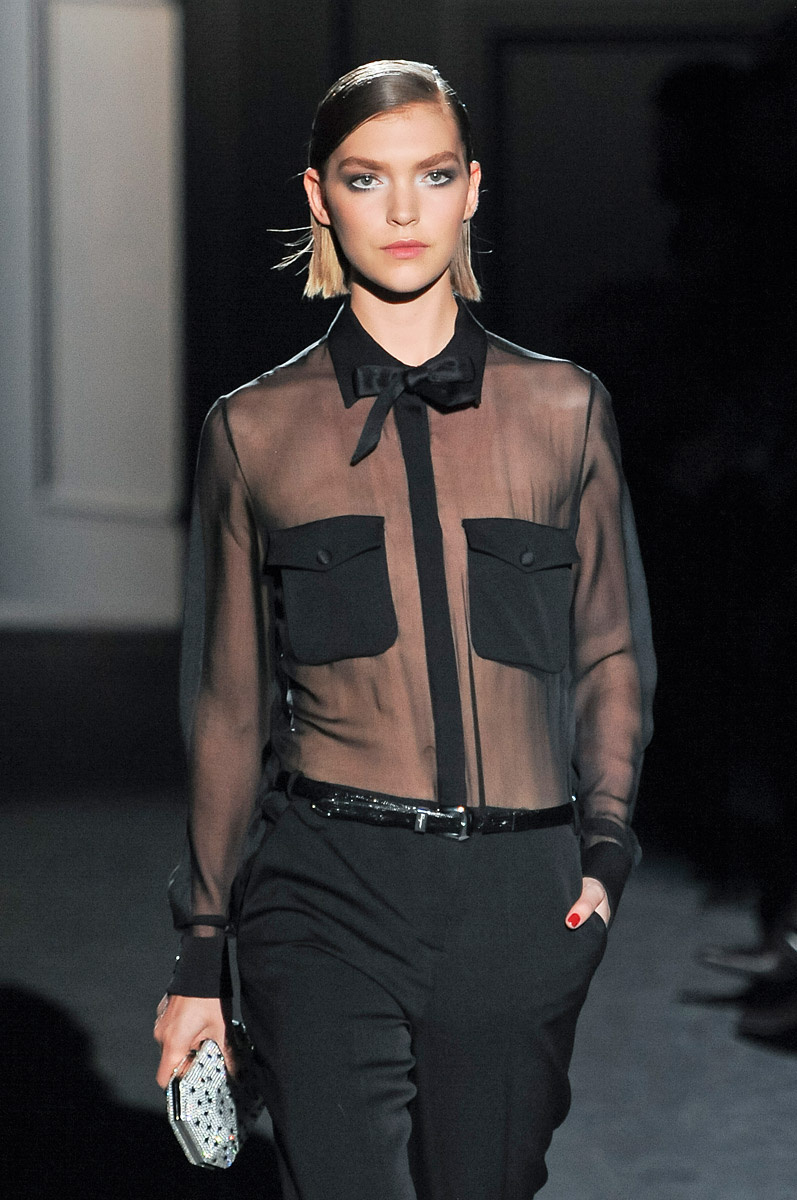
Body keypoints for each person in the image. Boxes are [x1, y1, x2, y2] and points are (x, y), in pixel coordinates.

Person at [154, 59, 656, 1200]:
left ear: (470, 188)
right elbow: (227, 705)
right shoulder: (254, 429)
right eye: (363, 178)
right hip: (323, 884)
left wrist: (604, 848)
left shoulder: (563, 409)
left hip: (519, 890)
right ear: (318, 196)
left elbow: (607, 649)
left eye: (429, 176)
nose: (399, 210)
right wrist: (199, 955)